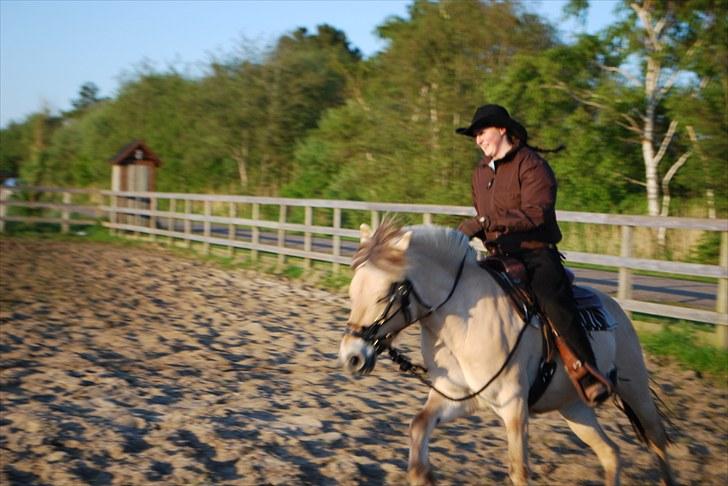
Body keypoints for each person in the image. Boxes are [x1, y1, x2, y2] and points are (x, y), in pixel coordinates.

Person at [455, 104, 610, 406]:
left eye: (481, 132)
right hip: (499, 255)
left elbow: (536, 213)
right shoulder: (479, 174)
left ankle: (587, 371)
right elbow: (481, 213)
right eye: (474, 135)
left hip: (535, 254)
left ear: (501, 129)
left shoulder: (532, 165)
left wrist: (486, 223)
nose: (478, 140)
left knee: (551, 299)